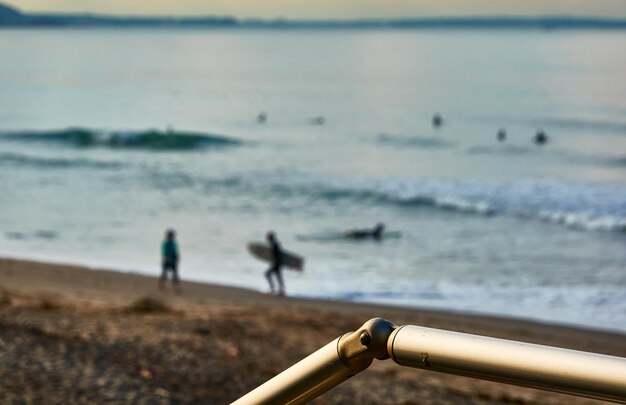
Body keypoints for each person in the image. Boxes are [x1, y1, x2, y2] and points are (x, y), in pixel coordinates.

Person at [159, 229, 181, 293]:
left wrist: (177, 256)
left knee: (174, 274)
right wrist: (172, 257)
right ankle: (162, 286)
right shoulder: (166, 243)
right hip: (167, 260)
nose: (173, 237)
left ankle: (176, 288)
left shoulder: (173, 243)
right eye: (172, 235)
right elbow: (165, 252)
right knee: (165, 274)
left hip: (172, 261)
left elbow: (175, 251)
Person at [264, 232, 285, 296]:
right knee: (278, 277)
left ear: (271, 238)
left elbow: (278, 255)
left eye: (268, 237)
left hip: (276, 264)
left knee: (267, 274)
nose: (267, 238)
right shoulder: (274, 244)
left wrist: (275, 263)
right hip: (277, 264)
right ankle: (280, 291)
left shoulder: (275, 245)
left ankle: (274, 289)